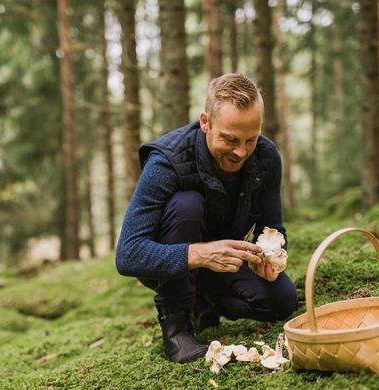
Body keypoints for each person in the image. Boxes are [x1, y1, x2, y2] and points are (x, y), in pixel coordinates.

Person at [115, 73, 298, 364]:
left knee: (283, 300)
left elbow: (273, 227)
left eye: (250, 139)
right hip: (174, 261)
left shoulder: (265, 157)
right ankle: (177, 331)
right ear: (205, 122)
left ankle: (204, 305)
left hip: (224, 263)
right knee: (187, 204)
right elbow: (127, 254)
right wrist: (198, 253)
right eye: (229, 139)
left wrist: (269, 258)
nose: (241, 152)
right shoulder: (166, 161)